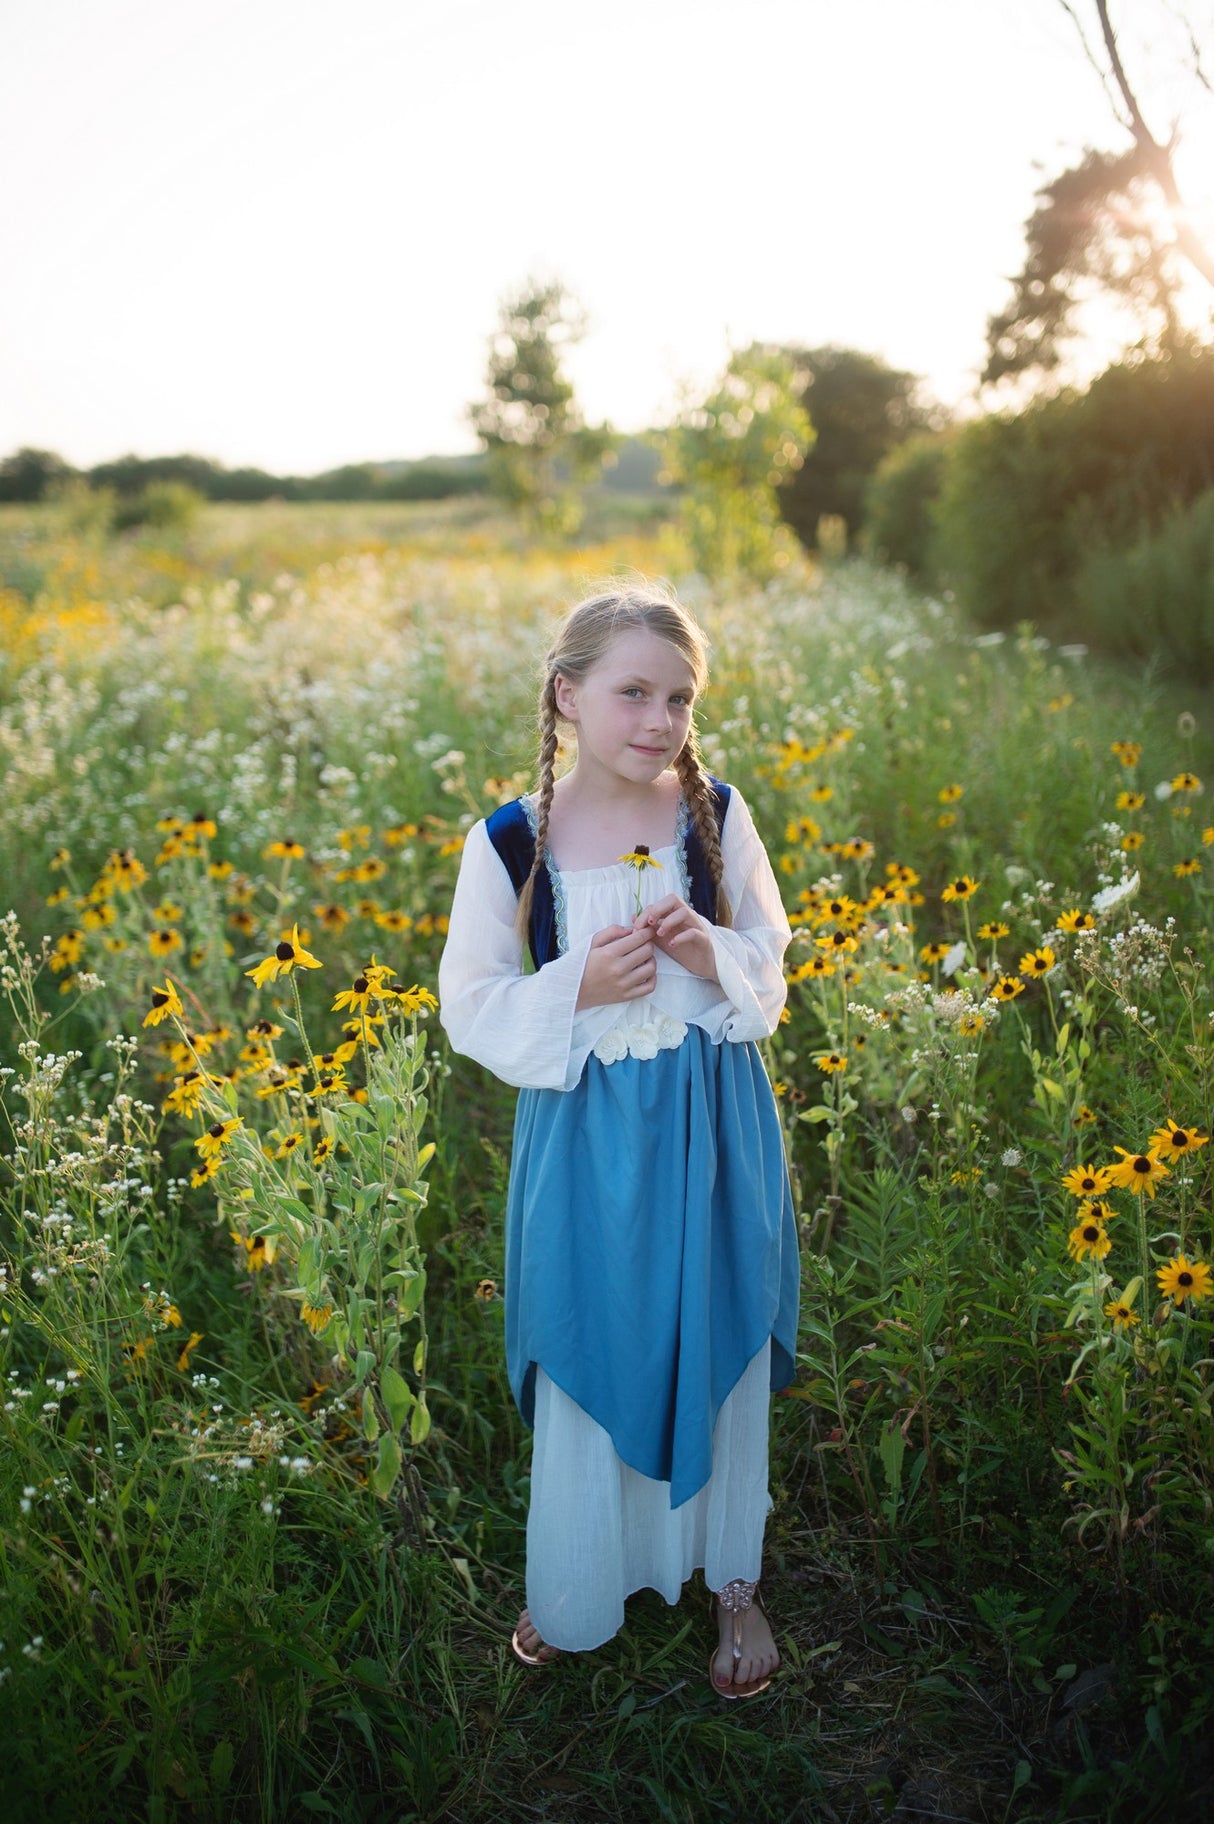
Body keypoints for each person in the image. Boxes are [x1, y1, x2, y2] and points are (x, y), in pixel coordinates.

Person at [438, 582, 799, 1699]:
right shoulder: (509, 842)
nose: (658, 720)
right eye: (632, 691)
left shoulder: (715, 814)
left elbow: (771, 966)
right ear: (565, 696)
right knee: (591, 1333)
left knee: (712, 1324)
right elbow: (470, 1003)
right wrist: (576, 982)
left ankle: (729, 1577)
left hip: (712, 1124)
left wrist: (710, 957)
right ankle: (578, 1577)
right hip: (587, 1139)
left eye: (679, 697)